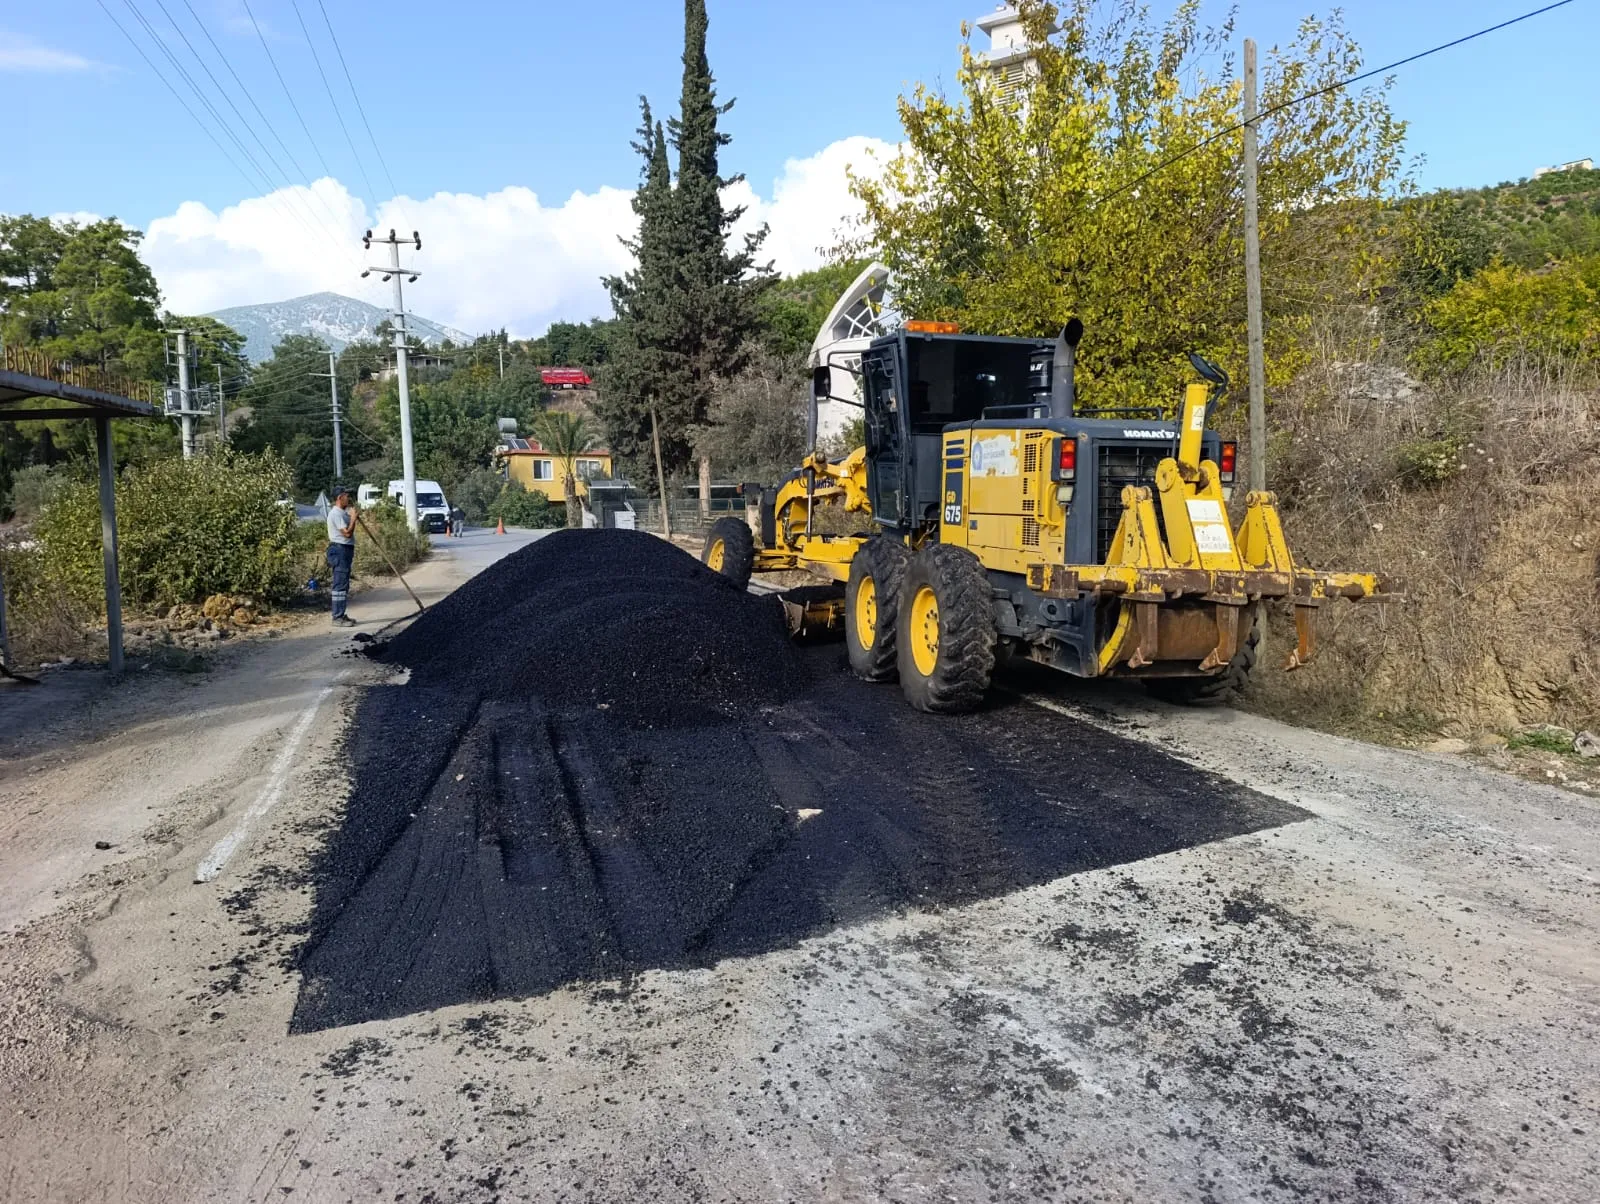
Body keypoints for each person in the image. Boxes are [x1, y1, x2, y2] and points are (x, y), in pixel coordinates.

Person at [326, 485, 357, 627]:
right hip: (339, 550)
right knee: (339, 584)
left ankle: (341, 614)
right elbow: (347, 533)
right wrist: (353, 519)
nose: (348, 498)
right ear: (340, 498)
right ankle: (337, 617)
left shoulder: (342, 512)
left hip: (345, 549)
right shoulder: (336, 514)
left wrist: (352, 517)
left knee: (344, 584)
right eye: (346, 495)